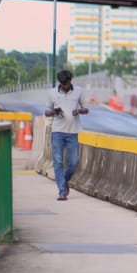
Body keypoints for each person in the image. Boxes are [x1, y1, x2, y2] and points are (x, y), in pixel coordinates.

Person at [46, 69, 88, 200]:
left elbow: (86, 109)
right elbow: (47, 112)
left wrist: (79, 111)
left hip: (72, 132)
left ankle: (64, 181)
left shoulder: (79, 91)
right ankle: (62, 191)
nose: (66, 86)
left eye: (68, 83)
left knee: (74, 162)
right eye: (64, 84)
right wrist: (55, 112)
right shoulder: (52, 93)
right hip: (57, 131)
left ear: (71, 80)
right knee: (58, 162)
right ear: (60, 83)